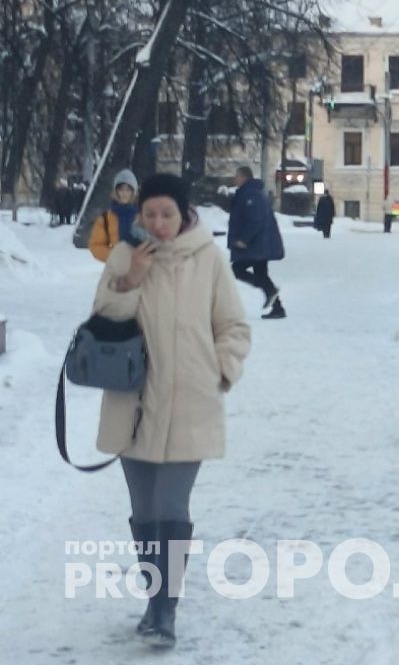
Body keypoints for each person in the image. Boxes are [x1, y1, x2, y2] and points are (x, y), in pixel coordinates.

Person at [93, 173, 251, 649]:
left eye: (168, 213)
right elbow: (101, 317)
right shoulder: (124, 256)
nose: (159, 223)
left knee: (169, 506)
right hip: (132, 403)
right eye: (150, 214)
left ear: (184, 215)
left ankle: (165, 608)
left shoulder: (208, 258)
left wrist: (218, 371)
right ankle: (153, 600)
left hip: (189, 404)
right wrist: (130, 281)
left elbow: (234, 325)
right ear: (138, 215)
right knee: (143, 512)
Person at [228, 166, 286, 319]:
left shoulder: (250, 195)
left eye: (237, 176)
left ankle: (271, 293)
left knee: (237, 269)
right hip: (260, 242)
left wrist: (244, 239)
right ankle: (278, 307)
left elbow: (255, 220)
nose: (235, 179)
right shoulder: (251, 193)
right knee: (261, 273)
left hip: (255, 243)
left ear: (244, 177)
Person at [89, 169, 140, 262]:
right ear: (115, 191)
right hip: (117, 270)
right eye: (121, 189)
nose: (124, 193)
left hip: (142, 269)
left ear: (134, 191)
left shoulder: (144, 215)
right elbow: (95, 245)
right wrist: (114, 255)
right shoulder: (105, 218)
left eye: (128, 189)